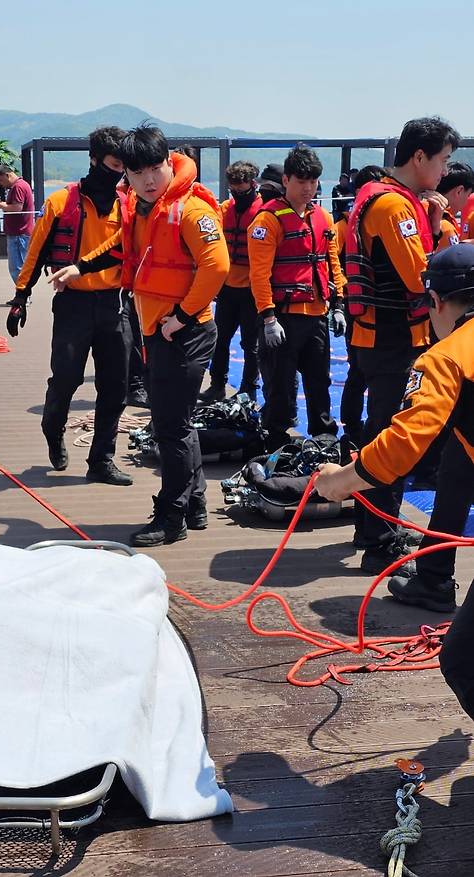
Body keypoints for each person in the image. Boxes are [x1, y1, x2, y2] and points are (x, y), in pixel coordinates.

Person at [49, 125, 230, 547]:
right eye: (137, 172)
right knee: (177, 422)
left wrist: (181, 317)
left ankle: (172, 517)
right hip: (159, 329)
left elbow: (216, 267)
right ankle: (195, 503)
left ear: (170, 163)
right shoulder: (144, 208)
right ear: (124, 175)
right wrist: (80, 268)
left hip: (183, 332)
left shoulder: (190, 210)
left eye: (155, 168)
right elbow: (119, 247)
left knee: (170, 427)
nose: (149, 179)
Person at [314, 244, 474, 717]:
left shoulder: (445, 358)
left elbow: (404, 442)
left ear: (436, 302)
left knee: (463, 660)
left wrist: (342, 481)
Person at [343, 116, 460, 573]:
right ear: (419, 158)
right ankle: (379, 540)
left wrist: (429, 217)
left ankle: (375, 526)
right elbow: (423, 276)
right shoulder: (393, 207)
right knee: (391, 438)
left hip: (381, 336)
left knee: (383, 432)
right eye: (444, 160)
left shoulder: (388, 199)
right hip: (392, 340)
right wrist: (444, 227)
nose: (445, 171)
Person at [6, 126, 134, 486]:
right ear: (94, 160)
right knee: (66, 378)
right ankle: (52, 427)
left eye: (124, 166)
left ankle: (101, 460)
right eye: (113, 164)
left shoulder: (129, 204)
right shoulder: (62, 202)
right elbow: (35, 251)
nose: (119, 172)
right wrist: (20, 297)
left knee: (114, 386)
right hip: (73, 304)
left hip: (115, 304)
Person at [247, 144, 346, 452]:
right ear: (286, 180)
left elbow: (332, 262)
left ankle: (324, 439)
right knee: (279, 387)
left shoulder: (323, 218)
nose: (308, 188)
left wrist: (339, 304)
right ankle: (276, 443)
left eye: (313, 181)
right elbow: (259, 275)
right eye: (301, 181)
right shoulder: (267, 221)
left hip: (317, 315)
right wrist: (268, 317)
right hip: (283, 318)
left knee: (320, 383)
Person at [199, 160, 261, 403]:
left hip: (251, 290)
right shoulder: (225, 209)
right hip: (226, 288)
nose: (238, 194)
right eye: (233, 190)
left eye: (242, 190)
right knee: (220, 339)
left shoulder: (263, 210)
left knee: (250, 343)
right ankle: (217, 385)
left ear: (253, 184)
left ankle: (249, 388)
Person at [338, 165, 385, 445]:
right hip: (358, 309)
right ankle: (354, 430)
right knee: (359, 371)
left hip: (365, 307)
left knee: (360, 372)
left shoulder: (353, 221)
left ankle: (358, 429)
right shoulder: (346, 225)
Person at [0, 165, 35, 284]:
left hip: (19, 233)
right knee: (19, 266)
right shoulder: (22, 185)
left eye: (0, 179)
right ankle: (22, 294)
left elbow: (17, 207)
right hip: (20, 233)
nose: (0, 183)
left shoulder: (18, 187)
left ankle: (23, 295)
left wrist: (0, 205)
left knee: (17, 267)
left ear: (7, 175)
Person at [435, 161, 474, 251]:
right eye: (468, 195)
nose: (466, 202)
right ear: (459, 191)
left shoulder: (425, 211)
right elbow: (455, 261)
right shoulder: (446, 227)